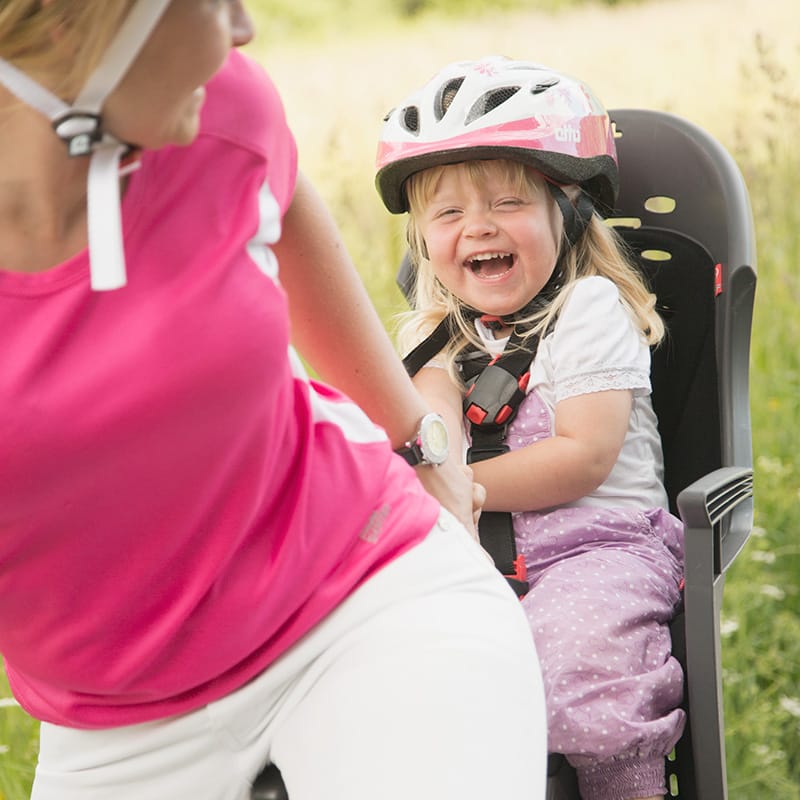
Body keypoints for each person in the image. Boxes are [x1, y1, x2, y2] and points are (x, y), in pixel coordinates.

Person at [0, 7, 547, 800]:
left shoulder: (216, 103)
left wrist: (420, 442)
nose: (243, 28)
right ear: (73, 25)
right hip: (111, 720)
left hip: (365, 598)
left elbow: (283, 205)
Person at [374, 56, 687, 800]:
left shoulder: (590, 309)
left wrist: (459, 486)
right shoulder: (439, 337)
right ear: (423, 240)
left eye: (508, 201)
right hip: (474, 559)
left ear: (570, 212)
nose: (478, 226)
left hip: (599, 548)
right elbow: (431, 433)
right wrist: (430, 450)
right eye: (448, 213)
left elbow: (582, 456)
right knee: (397, 672)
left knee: (583, 671)